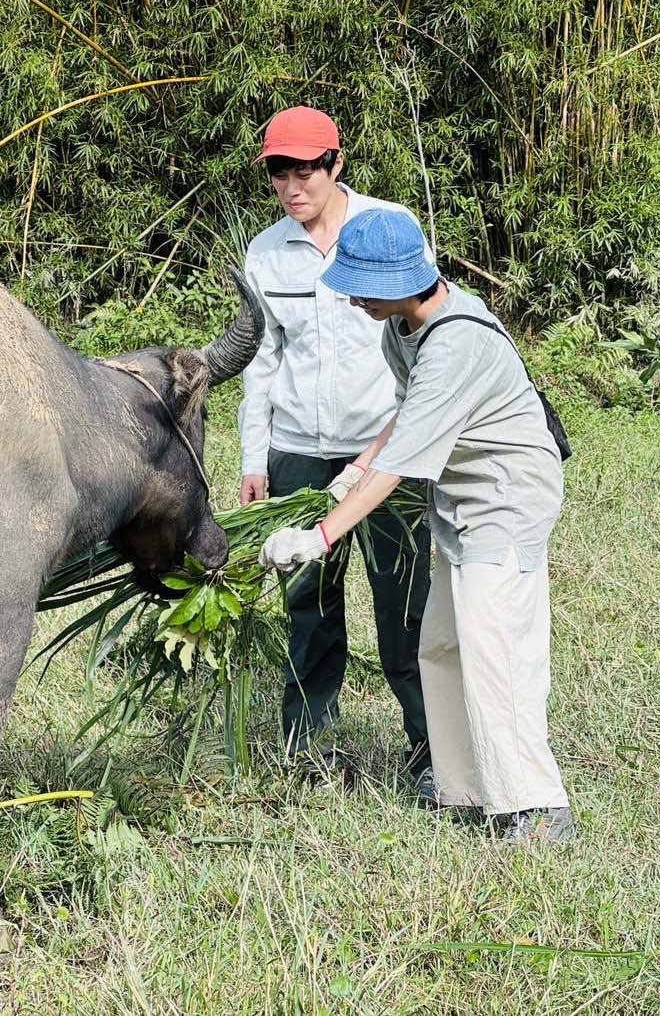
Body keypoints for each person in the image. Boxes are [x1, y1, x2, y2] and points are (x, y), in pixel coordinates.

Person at [258, 208, 573, 843]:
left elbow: (401, 466)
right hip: (460, 494)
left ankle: (536, 806)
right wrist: (349, 472)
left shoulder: (457, 340)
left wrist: (318, 536)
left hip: (505, 498)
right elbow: (405, 417)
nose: (351, 298)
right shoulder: (401, 327)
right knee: (441, 644)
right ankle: (462, 788)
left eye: (362, 285)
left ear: (404, 278)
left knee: (497, 650)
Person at [237, 105, 433, 792]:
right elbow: (260, 362)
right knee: (307, 609)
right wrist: (254, 461)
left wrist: (399, 440)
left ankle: (429, 751)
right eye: (278, 174)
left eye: (306, 170)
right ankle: (305, 751)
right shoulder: (265, 252)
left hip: (385, 453)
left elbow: (423, 329)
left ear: (335, 164)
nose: (293, 188)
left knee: (403, 606)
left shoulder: (387, 227)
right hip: (297, 449)